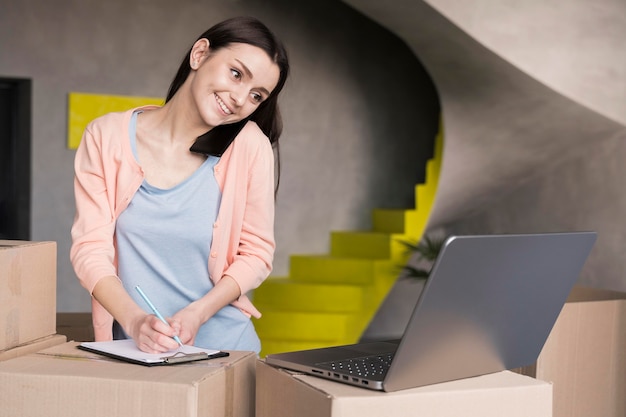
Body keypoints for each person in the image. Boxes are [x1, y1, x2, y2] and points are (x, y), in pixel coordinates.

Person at [70, 16, 290, 355]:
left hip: (225, 350)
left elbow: (257, 254)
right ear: (200, 54)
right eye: (236, 74)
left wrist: (197, 314)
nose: (239, 99)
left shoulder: (249, 146)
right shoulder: (105, 136)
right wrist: (134, 322)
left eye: (256, 95)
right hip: (134, 350)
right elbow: (90, 250)